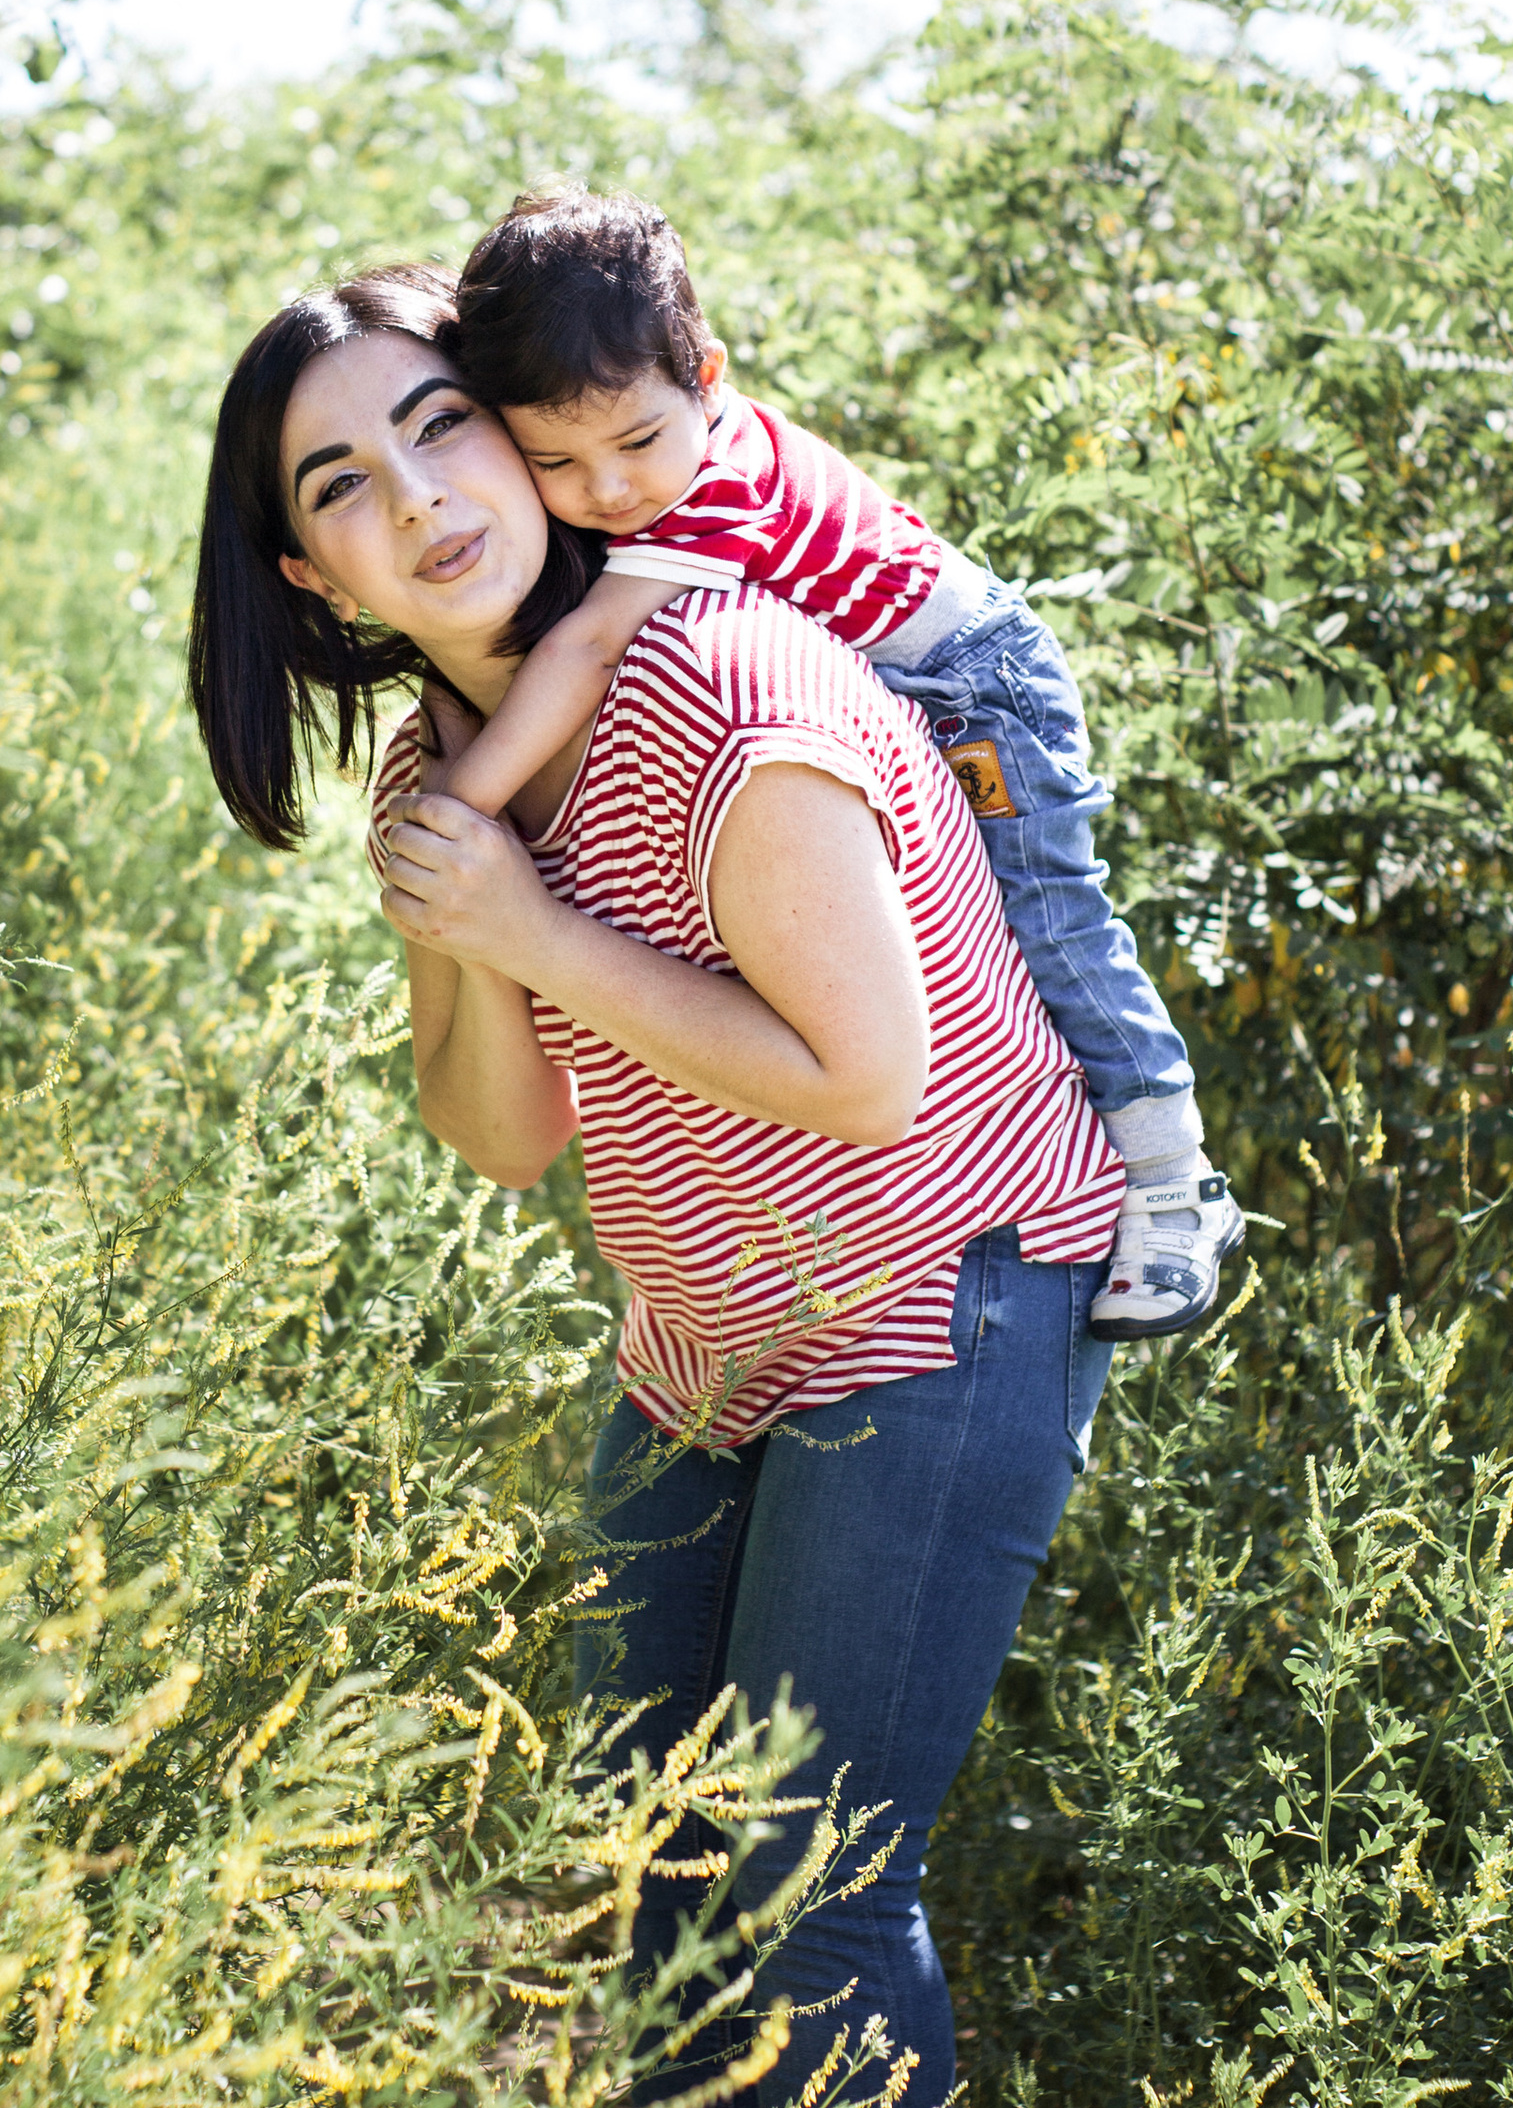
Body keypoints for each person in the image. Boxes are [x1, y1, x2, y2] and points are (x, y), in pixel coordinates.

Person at [188, 266, 1125, 2108]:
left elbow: (864, 1077)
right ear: (311, 572)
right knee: (653, 1869)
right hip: (707, 1336)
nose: (415, 497)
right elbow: (506, 1139)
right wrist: (457, 922)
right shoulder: (470, 756)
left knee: (806, 1878)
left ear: (518, 440)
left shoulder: (721, 677)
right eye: (340, 485)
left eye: (434, 433)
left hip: (933, 1303)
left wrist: (517, 908)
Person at [427, 185, 1240, 1345]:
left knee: (1051, 917)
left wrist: (460, 808)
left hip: (971, 683)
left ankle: (1173, 1183)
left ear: (707, 378)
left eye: (636, 442)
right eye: (553, 463)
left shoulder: (707, 486)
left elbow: (592, 645)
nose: (607, 492)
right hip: (913, 686)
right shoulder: (653, 468)